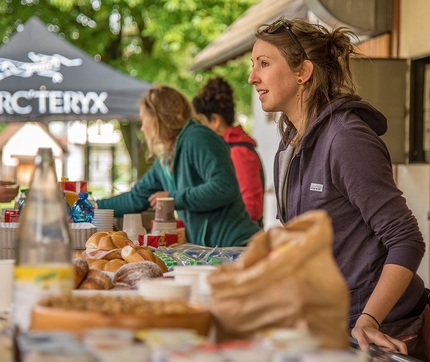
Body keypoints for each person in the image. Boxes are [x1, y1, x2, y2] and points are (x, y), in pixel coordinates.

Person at [248, 17, 429, 359]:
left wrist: (368, 320)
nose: (252, 77)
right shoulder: (290, 142)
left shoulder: (346, 139)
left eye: (264, 64)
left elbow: (406, 240)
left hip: (379, 328)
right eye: (253, 65)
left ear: (303, 73)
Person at [97, 85, 261, 248]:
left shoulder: (198, 137)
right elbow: (135, 198)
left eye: (144, 119)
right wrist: (94, 207)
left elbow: (224, 187)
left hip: (237, 246)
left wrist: (173, 198)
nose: (142, 128)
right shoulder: (166, 159)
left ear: (159, 118)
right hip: (211, 252)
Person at [192, 76, 265, 227]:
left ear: (215, 120)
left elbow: (252, 209)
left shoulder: (238, 152)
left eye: (201, 124)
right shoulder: (226, 149)